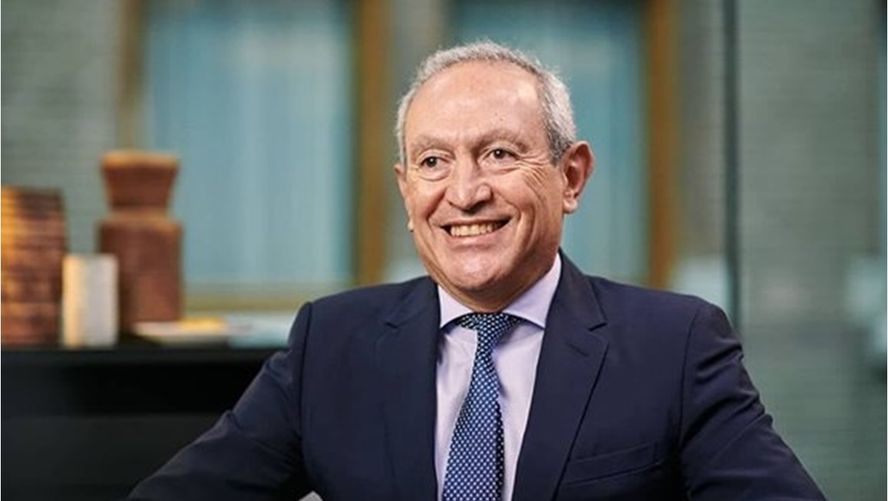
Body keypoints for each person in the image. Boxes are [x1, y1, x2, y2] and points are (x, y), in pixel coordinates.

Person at [130, 41, 825, 501]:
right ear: (406, 189)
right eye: (433, 162)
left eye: (498, 154)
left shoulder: (675, 347)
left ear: (571, 177)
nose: (464, 193)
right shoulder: (330, 344)